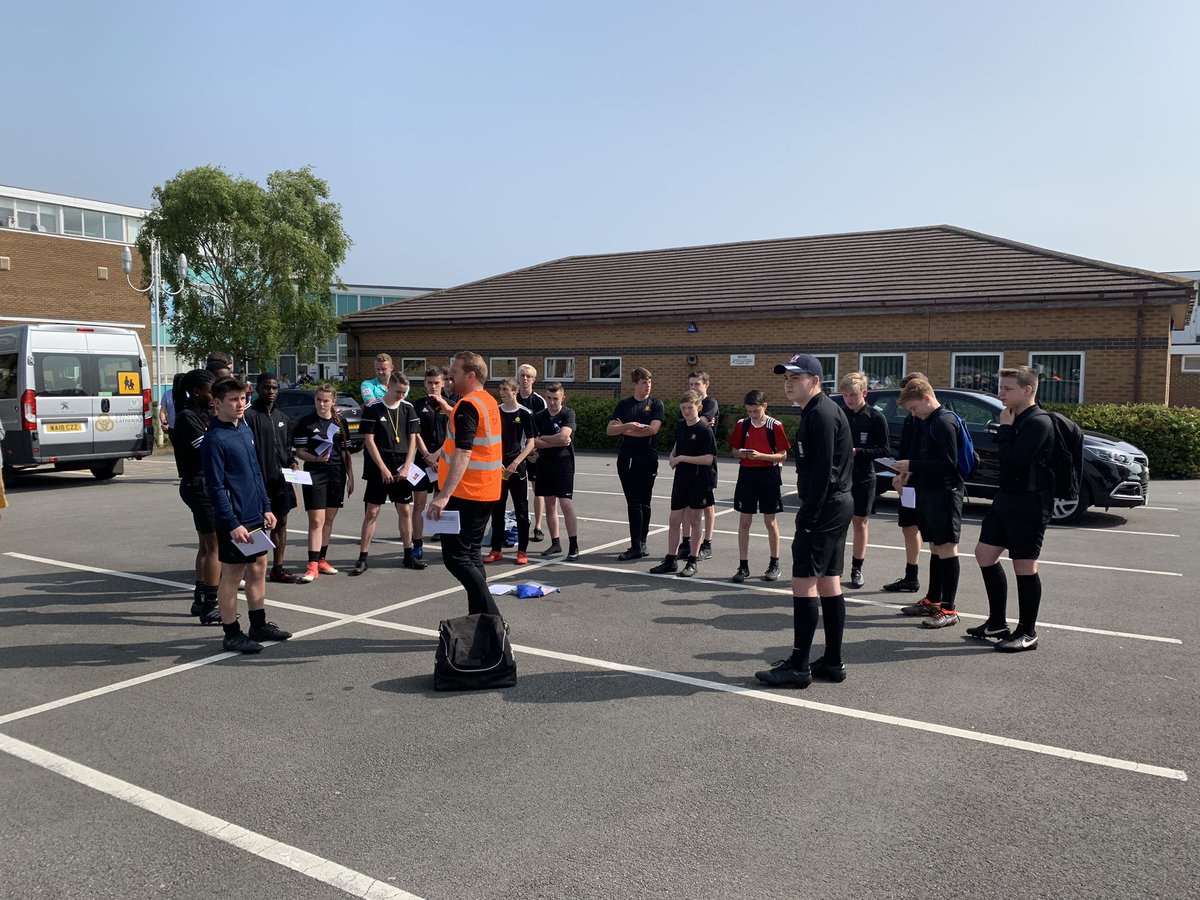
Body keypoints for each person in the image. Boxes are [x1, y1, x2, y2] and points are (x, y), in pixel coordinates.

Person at [756, 354, 853, 689]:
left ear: (815, 381)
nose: (789, 383)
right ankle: (833, 660)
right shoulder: (816, 411)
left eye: (796, 378)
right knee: (828, 581)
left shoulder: (821, 415)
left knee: (803, 582)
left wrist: (809, 517)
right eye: (786, 378)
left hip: (824, 508)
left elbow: (824, 472)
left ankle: (799, 666)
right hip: (833, 506)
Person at [201, 377, 292, 654]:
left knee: (259, 567)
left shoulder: (244, 429)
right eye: (233, 399)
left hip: (254, 514)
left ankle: (259, 624)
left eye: (242, 398)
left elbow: (255, 472)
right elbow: (215, 488)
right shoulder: (214, 439)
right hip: (235, 521)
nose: (240, 404)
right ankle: (231, 633)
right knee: (232, 574)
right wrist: (232, 524)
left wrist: (266, 506)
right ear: (217, 403)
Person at [971, 366, 1056, 652]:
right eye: (1001, 387)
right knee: (984, 553)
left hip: (1030, 502)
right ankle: (996, 622)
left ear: (1027, 390)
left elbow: (1013, 462)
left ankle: (1027, 632)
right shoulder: (1015, 417)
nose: (1001, 393)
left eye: (1007, 389)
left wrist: (1005, 430)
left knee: (1024, 564)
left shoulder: (1038, 422)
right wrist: (1007, 428)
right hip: (1006, 498)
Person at [428, 351, 504, 616]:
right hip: (486, 491)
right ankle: (479, 618)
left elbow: (464, 451)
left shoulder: (468, 405)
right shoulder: (487, 401)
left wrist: (442, 495)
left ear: (470, 375)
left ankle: (492, 617)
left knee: (456, 558)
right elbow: (477, 433)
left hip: (466, 493)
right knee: (471, 556)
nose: (450, 375)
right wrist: (450, 411)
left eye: (455, 372)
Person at [893, 377, 964, 629]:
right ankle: (934, 599)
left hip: (946, 492)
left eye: (914, 408)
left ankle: (949, 608)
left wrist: (912, 465)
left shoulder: (944, 422)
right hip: (931, 492)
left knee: (946, 548)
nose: (914, 414)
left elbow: (949, 464)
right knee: (935, 547)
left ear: (926, 398)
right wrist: (909, 472)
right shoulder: (930, 421)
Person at [351, 371, 427, 575]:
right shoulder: (373, 408)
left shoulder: (409, 408)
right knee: (372, 512)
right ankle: (363, 557)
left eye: (404, 392)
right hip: (379, 466)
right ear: (389, 387)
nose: (402, 395)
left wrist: (409, 465)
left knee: (405, 511)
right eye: (399, 391)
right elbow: (369, 440)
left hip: (402, 463)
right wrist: (383, 468)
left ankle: (408, 554)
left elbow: (413, 439)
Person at [244, 372, 304, 584]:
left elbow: (286, 450)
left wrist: (292, 462)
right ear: (257, 388)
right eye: (266, 387)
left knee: (281, 523)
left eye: (274, 388)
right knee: (256, 527)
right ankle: (253, 569)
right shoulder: (248, 416)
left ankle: (277, 568)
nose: (270, 392)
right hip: (257, 483)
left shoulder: (282, 418)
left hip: (280, 483)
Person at [172, 369, 222, 624]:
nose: (215, 397)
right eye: (212, 392)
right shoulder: (187, 417)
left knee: (205, 545)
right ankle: (210, 605)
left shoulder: (200, 414)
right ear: (198, 391)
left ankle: (200, 598)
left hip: (202, 483)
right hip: (198, 484)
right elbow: (207, 448)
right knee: (215, 546)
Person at [650, 390, 717, 577]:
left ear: (699, 407)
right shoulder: (681, 426)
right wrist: (673, 456)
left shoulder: (705, 430)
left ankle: (692, 561)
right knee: (674, 519)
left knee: (695, 520)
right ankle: (671, 559)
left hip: (699, 480)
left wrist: (681, 458)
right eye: (683, 408)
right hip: (681, 479)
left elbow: (708, 459)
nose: (687, 411)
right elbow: (678, 445)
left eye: (690, 408)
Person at [728, 389, 791, 583]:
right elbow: (733, 451)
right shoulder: (742, 425)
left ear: (765, 406)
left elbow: (783, 455)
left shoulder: (775, 425)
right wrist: (743, 454)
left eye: (756, 411)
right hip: (747, 473)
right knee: (744, 520)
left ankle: (774, 563)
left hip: (768, 474)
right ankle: (743, 565)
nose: (752, 415)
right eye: (749, 411)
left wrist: (761, 456)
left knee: (770, 520)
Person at [293, 383, 354, 580]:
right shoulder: (306, 423)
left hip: (336, 474)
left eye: (326, 400)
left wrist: (350, 476)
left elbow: (345, 452)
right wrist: (317, 459)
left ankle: (321, 559)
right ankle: (311, 565)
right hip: (315, 474)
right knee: (316, 521)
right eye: (319, 400)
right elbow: (300, 452)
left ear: (333, 401)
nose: (322, 404)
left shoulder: (340, 422)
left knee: (328, 520)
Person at [838, 372, 890, 589]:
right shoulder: (840, 414)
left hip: (864, 476)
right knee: (838, 522)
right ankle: (833, 567)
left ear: (864, 393)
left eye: (853, 395)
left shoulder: (876, 418)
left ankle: (857, 567)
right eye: (845, 396)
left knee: (860, 522)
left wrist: (857, 451)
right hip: (841, 476)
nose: (849, 400)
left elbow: (884, 450)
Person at [608, 367, 666, 561]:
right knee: (633, 502)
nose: (647, 386)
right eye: (643, 382)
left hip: (648, 458)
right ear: (635, 383)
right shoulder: (625, 405)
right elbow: (610, 430)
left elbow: (652, 429)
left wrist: (623, 429)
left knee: (645, 501)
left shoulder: (656, 404)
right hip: (627, 459)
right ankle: (635, 545)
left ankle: (642, 542)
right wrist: (630, 427)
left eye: (649, 382)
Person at [882, 372, 928, 594]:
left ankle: (938, 593)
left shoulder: (933, 419)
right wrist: (900, 475)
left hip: (925, 482)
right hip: (908, 481)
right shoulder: (911, 418)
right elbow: (906, 450)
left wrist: (909, 473)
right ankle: (911, 576)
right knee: (908, 527)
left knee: (935, 537)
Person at [484, 377, 537, 565]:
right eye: (500, 389)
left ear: (515, 391)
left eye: (506, 389)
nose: (502, 392)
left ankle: (522, 551)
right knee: (497, 509)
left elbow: (531, 442)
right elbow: (490, 440)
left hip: (517, 467)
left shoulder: (525, 413)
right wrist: (497, 461)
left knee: (521, 509)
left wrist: (516, 462)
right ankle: (496, 549)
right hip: (498, 466)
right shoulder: (495, 412)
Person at [411, 366, 456, 560]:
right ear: (424, 384)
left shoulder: (451, 406)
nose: (433, 386)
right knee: (419, 504)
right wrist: (427, 455)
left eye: (437, 382)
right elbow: (415, 433)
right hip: (422, 461)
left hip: (443, 461)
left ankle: (446, 543)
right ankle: (417, 544)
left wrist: (437, 455)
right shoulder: (415, 405)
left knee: (441, 502)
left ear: (444, 383)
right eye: (429, 383)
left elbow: (453, 435)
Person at [532, 382, 579, 561]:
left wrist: (544, 439)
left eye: (556, 399)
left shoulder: (568, 413)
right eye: (549, 398)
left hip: (564, 464)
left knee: (566, 504)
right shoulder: (538, 417)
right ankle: (555, 542)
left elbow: (564, 436)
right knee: (550, 504)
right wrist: (551, 440)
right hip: (544, 465)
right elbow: (533, 442)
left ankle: (574, 546)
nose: (552, 402)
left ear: (563, 398)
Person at [678, 371, 720, 561]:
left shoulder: (710, 403)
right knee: (687, 507)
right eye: (690, 384)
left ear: (706, 385)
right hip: (687, 462)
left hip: (704, 462)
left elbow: (701, 422)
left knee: (707, 506)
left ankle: (707, 543)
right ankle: (685, 542)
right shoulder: (687, 408)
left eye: (697, 384)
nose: (693, 387)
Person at [516, 364, 548, 541]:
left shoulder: (539, 401)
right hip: (516, 452)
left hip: (534, 451)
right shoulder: (513, 398)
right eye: (522, 375)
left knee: (538, 489)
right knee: (518, 490)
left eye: (529, 376)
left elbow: (542, 427)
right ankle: (521, 524)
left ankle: (537, 527)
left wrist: (535, 447)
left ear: (534, 380)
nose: (525, 379)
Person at [159, 372, 184, 437]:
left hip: (188, 428)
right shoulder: (167, 394)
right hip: (172, 428)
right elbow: (162, 411)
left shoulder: (190, 394)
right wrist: (164, 422)